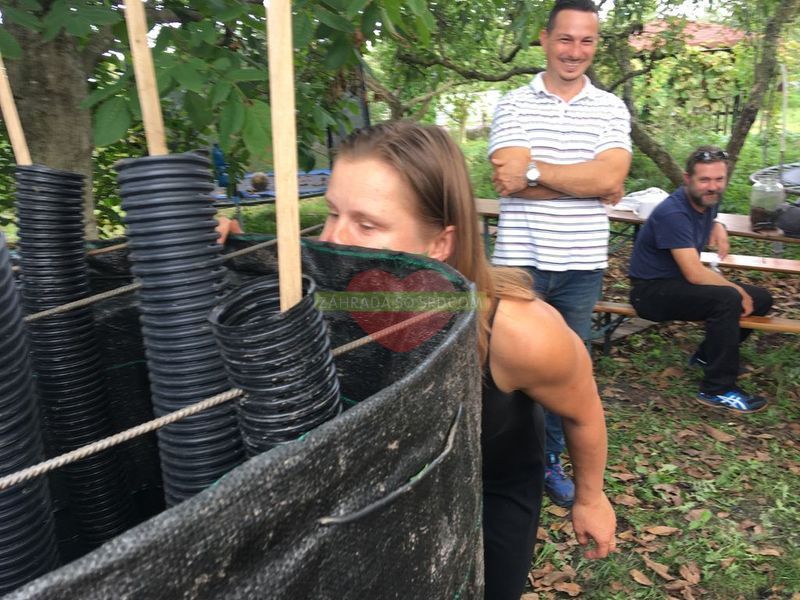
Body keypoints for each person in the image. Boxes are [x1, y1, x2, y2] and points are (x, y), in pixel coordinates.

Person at [316, 120, 615, 600]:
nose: (332, 239)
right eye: (332, 213)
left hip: (487, 494)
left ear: (438, 244)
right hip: (389, 485)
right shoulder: (327, 294)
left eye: (367, 224)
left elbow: (582, 411)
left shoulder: (517, 332)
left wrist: (591, 498)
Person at [488, 0, 632, 507]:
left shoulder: (611, 108)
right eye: (566, 39)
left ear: (596, 45)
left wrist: (535, 173)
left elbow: (610, 178)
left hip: (581, 267)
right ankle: (500, 460)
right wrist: (585, 182)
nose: (575, 51)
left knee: (567, 373)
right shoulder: (513, 104)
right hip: (518, 263)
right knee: (500, 366)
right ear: (545, 39)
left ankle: (547, 461)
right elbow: (507, 177)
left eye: (586, 40)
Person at [628, 146, 772, 413]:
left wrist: (719, 226)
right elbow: (694, 273)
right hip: (650, 292)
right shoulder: (673, 213)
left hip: (676, 283)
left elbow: (709, 217)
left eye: (719, 179)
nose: (712, 186)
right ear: (688, 179)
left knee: (761, 299)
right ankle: (717, 389)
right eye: (704, 179)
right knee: (728, 298)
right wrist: (736, 290)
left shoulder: (708, 200)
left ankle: (707, 357)